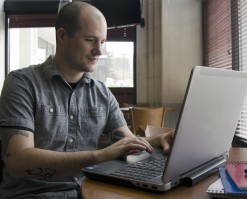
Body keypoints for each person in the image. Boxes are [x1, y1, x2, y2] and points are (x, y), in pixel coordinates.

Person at [0, 2, 174, 198]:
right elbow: (18, 160)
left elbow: (127, 142)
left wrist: (158, 140)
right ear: (62, 36)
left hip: (89, 192)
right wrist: (99, 156)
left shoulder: (102, 93)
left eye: (102, 42)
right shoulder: (22, 83)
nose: (99, 51)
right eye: (90, 40)